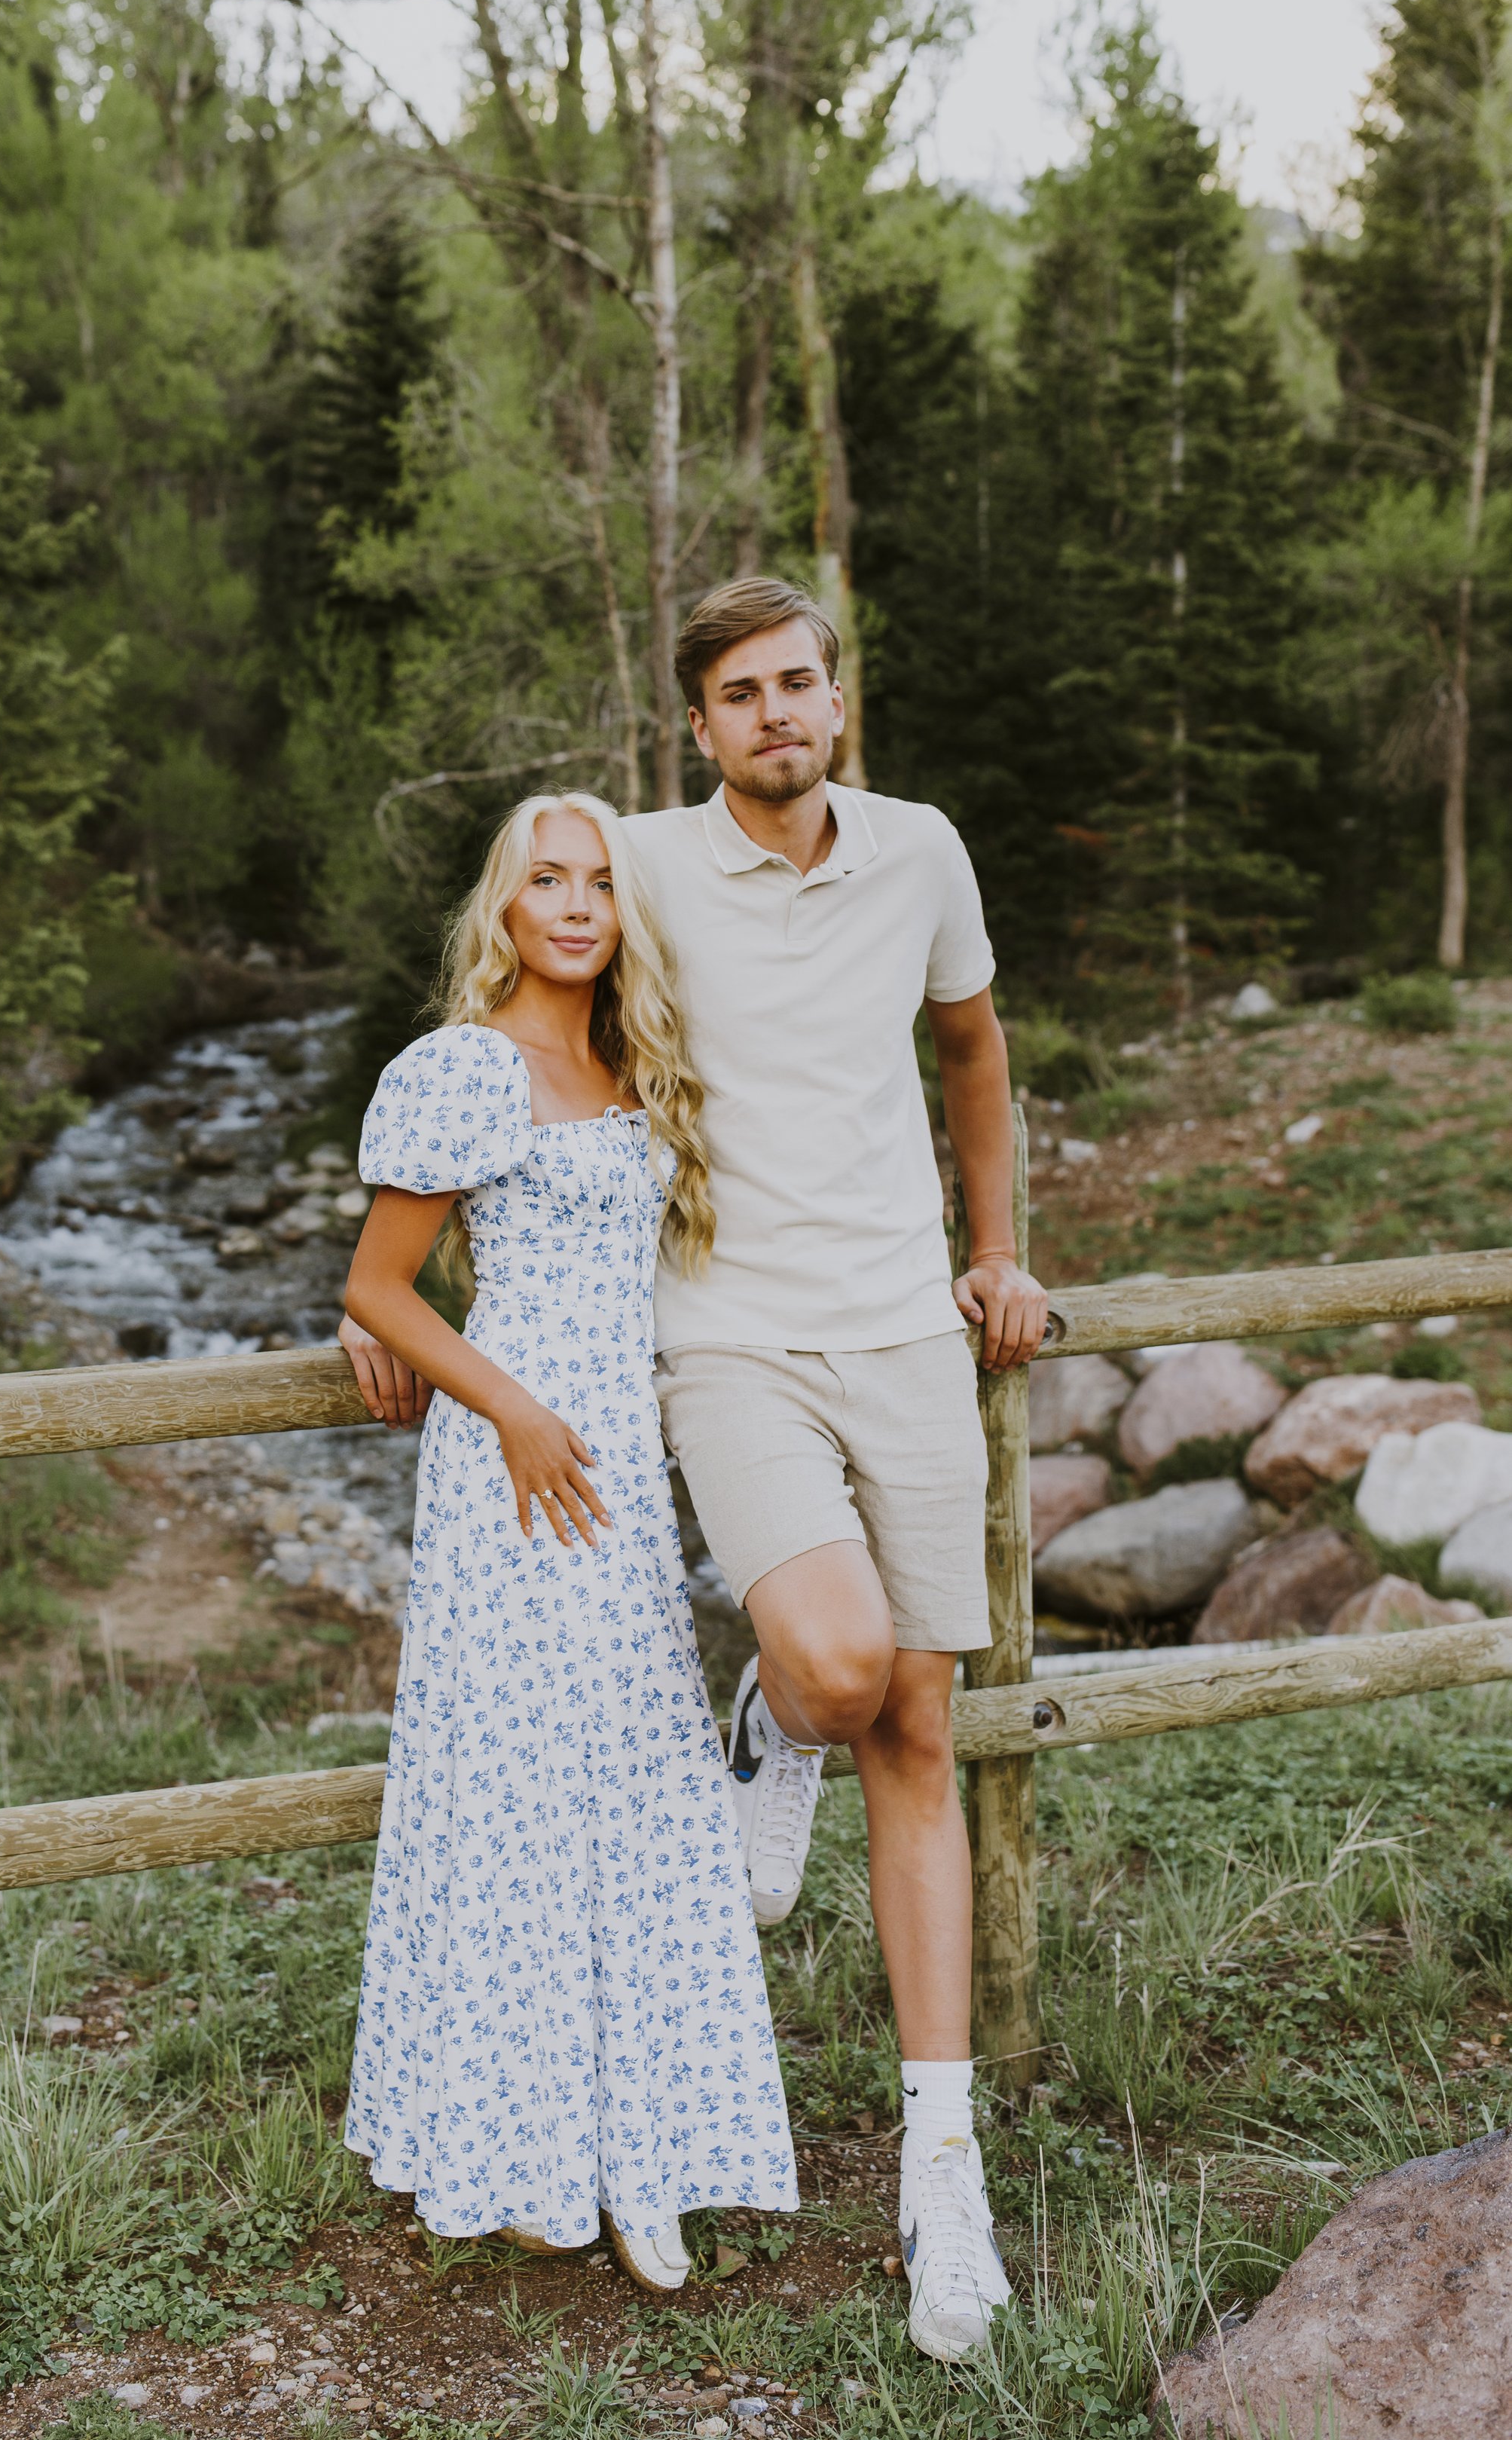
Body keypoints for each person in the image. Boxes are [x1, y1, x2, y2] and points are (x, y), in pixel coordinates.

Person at [620, 577, 1051, 2363]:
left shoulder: (919, 849)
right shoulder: (637, 867)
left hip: (906, 1336)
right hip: (724, 1331)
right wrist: (403, 1275)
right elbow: (522, 1040)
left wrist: (997, 1248)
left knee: (920, 1732)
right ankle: (768, 1714)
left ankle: (939, 2172)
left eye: (797, 682)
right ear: (698, 726)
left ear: (835, 700)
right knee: (836, 1662)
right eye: (740, 693)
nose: (776, 712)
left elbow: (972, 1049)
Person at [338, 789, 796, 2296]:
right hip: (514, 1467)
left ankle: (643, 2148)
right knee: (522, 1791)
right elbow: (381, 1286)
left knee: (640, 1776)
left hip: (619, 1464)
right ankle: (526, 2154)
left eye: (600, 880)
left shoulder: (633, 1065)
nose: (579, 903)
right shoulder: (466, 1065)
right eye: (548, 879)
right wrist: (511, 1409)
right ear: (506, 905)